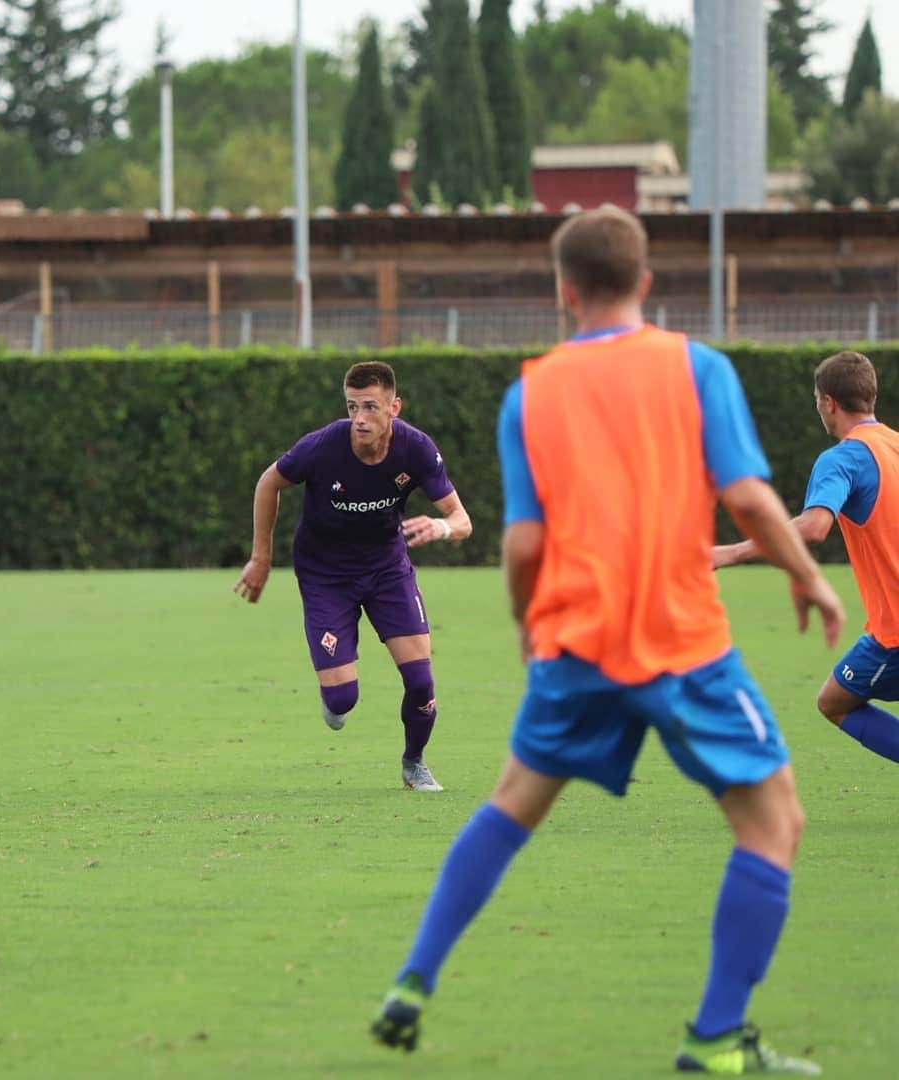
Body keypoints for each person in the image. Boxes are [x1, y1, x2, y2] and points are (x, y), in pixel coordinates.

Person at [370, 207, 845, 1074]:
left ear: (565, 290)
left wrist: (529, 627)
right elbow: (745, 495)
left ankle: (413, 980)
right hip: (684, 641)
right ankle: (713, 1038)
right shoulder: (696, 369)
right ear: (647, 281)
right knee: (772, 822)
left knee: (511, 806)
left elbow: (521, 545)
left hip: (577, 643)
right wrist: (808, 577)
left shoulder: (532, 392)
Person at [233, 360, 472, 792]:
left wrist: (440, 527)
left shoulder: (416, 449)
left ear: (394, 407)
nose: (359, 419)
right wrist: (261, 559)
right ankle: (336, 693)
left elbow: (461, 520)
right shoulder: (322, 447)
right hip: (325, 575)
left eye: (371, 407)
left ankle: (414, 763)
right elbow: (268, 482)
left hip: (386, 570)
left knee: (420, 680)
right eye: (352, 407)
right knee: (342, 701)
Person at [714, 349, 899, 765]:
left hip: (894, 635)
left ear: (828, 402)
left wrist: (731, 551)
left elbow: (814, 527)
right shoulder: (894, 444)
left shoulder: (844, 458)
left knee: (835, 703)